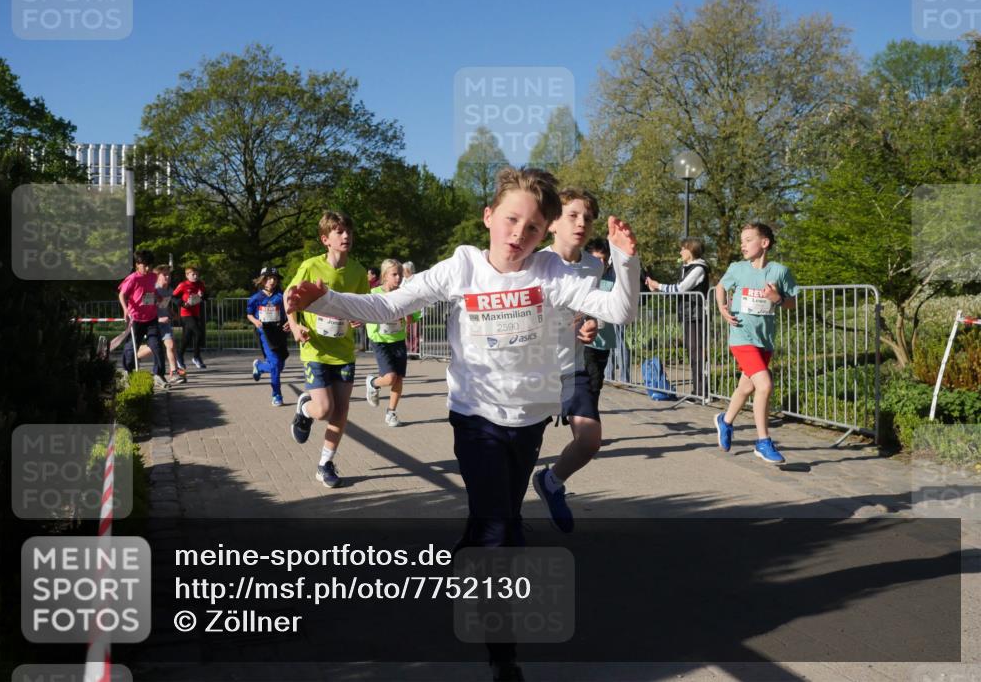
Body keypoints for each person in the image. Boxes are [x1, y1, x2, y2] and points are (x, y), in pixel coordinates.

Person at [285, 167, 640, 682]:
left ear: (545, 234)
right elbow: (387, 303)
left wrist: (625, 259)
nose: (519, 234)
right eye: (511, 220)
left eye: (534, 227)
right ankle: (503, 652)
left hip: (529, 418)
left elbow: (619, 309)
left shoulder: (549, 272)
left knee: (496, 515)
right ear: (488, 216)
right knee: (503, 530)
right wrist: (324, 300)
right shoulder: (462, 267)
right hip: (474, 417)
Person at [531, 189, 604, 534]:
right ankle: (504, 521)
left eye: (587, 218)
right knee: (521, 451)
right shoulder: (536, 263)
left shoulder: (594, 265)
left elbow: (592, 309)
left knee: (589, 440)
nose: (581, 223)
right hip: (535, 369)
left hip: (572, 366)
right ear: (552, 223)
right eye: (573, 215)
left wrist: (592, 323)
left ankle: (551, 482)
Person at [286, 211, 369, 489]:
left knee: (341, 411)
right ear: (326, 239)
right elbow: (290, 298)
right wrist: (295, 326)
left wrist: (361, 317)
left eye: (348, 231)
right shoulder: (310, 266)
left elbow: (362, 305)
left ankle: (325, 464)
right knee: (323, 409)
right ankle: (305, 411)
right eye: (339, 232)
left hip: (343, 351)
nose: (346, 236)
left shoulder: (357, 271)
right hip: (315, 349)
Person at [713, 222, 798, 463]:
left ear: (764, 243)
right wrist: (722, 307)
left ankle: (725, 421)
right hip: (741, 336)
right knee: (765, 385)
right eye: (742, 240)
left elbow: (794, 302)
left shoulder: (779, 271)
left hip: (764, 340)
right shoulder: (737, 268)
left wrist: (778, 298)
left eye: (748, 239)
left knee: (746, 387)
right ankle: (763, 441)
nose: (743, 244)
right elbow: (720, 287)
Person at [646, 237, 710, 398]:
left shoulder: (699, 268)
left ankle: (702, 392)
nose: (680, 251)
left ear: (691, 250)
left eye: (683, 248)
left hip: (697, 315)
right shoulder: (686, 267)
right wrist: (658, 290)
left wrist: (658, 285)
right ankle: (698, 391)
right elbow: (677, 290)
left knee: (697, 353)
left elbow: (680, 288)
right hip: (688, 315)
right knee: (693, 352)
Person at [364, 259, 419, 427]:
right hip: (380, 340)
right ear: (384, 276)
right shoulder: (374, 293)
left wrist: (406, 313)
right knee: (390, 378)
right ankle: (373, 382)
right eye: (394, 274)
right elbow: (363, 311)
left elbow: (412, 318)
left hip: (398, 340)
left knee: (399, 379)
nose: (398, 278)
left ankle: (391, 412)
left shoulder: (404, 294)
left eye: (400, 275)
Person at [118, 250, 168, 389]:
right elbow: (122, 295)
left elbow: (152, 290)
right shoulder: (133, 278)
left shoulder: (153, 276)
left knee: (157, 346)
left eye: (150, 266)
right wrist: (125, 309)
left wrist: (158, 296)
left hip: (151, 318)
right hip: (136, 319)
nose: (148, 269)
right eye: (144, 266)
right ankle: (127, 372)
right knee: (131, 347)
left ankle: (158, 374)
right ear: (137, 265)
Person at [247, 266, 291, 407]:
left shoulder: (282, 296)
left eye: (274, 278)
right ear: (262, 280)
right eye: (268, 278)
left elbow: (290, 313)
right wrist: (256, 321)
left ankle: (259, 367)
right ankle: (276, 395)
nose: (272, 281)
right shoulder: (256, 298)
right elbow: (249, 314)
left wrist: (289, 322)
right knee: (275, 365)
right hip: (265, 333)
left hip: (280, 332)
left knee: (280, 365)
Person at [583, 239, 619, 407]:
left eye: (604, 259)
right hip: (585, 342)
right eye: (597, 259)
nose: (602, 263)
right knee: (592, 382)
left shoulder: (612, 282)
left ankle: (586, 414)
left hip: (605, 342)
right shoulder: (580, 281)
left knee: (596, 384)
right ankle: (587, 418)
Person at [150, 264, 186, 385]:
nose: (167, 277)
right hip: (153, 324)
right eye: (164, 275)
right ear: (157, 276)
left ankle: (174, 373)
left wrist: (172, 313)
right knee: (152, 348)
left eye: (169, 275)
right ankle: (134, 355)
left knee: (170, 345)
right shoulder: (152, 290)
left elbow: (164, 305)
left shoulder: (169, 290)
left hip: (165, 324)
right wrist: (159, 319)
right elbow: (146, 310)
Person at [173, 265, 207, 370]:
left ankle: (179, 356)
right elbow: (173, 297)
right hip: (186, 314)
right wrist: (183, 304)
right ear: (187, 275)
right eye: (193, 274)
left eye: (197, 274)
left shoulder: (200, 284)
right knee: (198, 332)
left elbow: (206, 296)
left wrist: (202, 296)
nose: (195, 276)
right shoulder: (183, 285)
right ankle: (196, 357)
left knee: (186, 338)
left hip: (196, 314)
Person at [402, 261, 419, 355]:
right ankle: (408, 350)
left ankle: (415, 350)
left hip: (416, 309)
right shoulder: (402, 280)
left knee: (415, 331)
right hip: (406, 308)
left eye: (404, 270)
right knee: (406, 330)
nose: (403, 272)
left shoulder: (416, 279)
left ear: (409, 270)